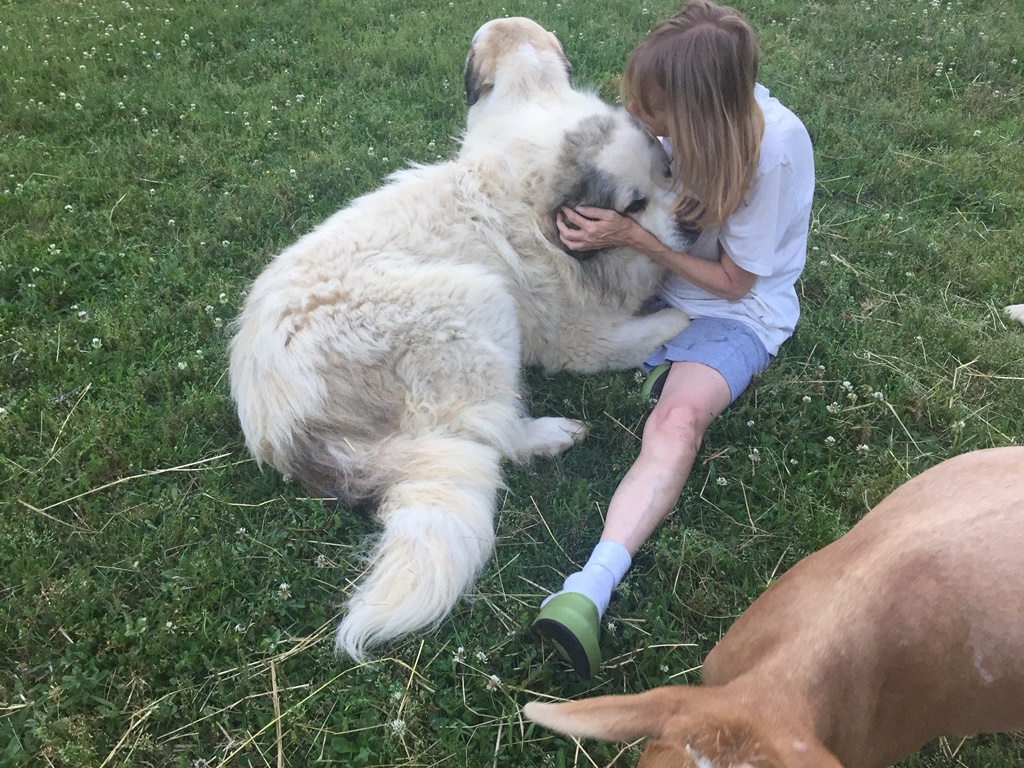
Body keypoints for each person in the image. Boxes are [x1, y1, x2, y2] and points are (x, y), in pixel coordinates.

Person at [532, 0, 815, 679]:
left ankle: (589, 588)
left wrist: (629, 236)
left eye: (651, 111)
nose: (639, 118)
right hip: (658, 276)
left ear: (700, 115)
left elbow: (734, 284)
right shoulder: (673, 123)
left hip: (732, 310)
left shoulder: (771, 150)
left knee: (677, 420)